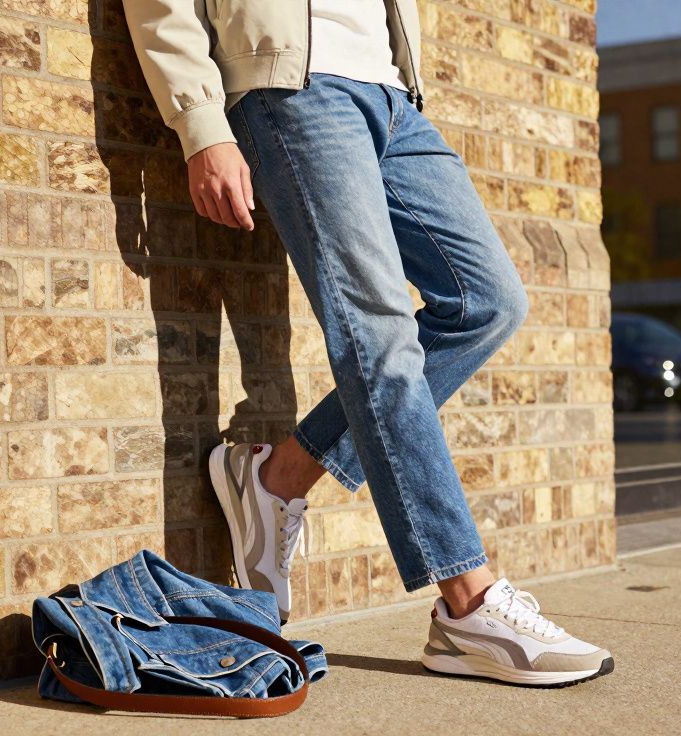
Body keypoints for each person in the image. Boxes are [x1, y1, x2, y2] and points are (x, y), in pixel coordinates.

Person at [122, 0, 613, 686]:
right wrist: (201, 124)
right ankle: (467, 604)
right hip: (292, 89)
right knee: (379, 337)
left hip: (394, 96)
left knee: (487, 304)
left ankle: (279, 475)